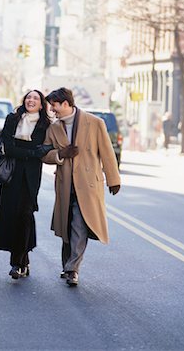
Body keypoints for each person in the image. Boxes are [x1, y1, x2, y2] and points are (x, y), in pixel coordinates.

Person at [42, 87, 121, 287]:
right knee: (66, 226)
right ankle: (67, 265)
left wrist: (114, 179)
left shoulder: (95, 123)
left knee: (79, 225)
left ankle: (72, 269)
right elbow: (44, 154)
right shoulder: (53, 129)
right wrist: (60, 155)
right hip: (65, 184)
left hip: (88, 185)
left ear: (66, 104)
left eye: (55, 106)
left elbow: (107, 152)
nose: (52, 110)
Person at [0, 90, 53, 280]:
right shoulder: (12, 119)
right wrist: (32, 152)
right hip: (11, 174)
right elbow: (8, 148)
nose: (31, 100)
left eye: (35, 98)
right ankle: (22, 261)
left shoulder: (45, 125)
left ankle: (17, 264)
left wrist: (28, 151)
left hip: (31, 176)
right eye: (28, 97)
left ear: (41, 105)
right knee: (11, 215)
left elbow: (43, 149)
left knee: (25, 215)